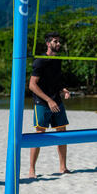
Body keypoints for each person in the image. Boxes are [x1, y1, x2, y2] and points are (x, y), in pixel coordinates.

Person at [29, 32, 71, 177]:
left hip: (56, 101)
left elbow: (56, 81)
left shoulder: (57, 60)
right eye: (55, 41)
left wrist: (63, 89)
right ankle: (32, 170)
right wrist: (48, 100)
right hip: (42, 102)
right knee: (39, 135)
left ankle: (63, 167)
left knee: (62, 134)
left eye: (59, 41)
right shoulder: (40, 60)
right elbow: (32, 85)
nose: (58, 44)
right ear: (48, 43)